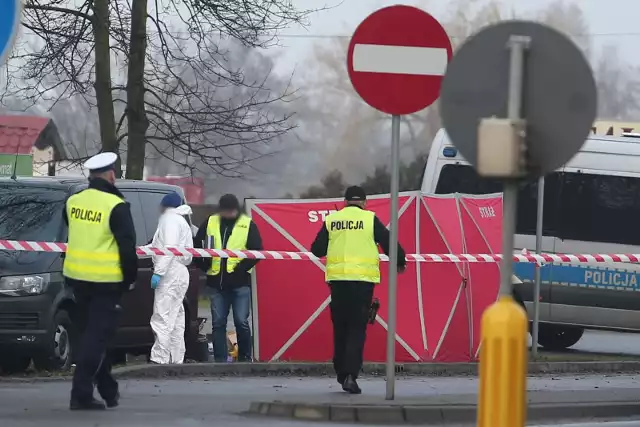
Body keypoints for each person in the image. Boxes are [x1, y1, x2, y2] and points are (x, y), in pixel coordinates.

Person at [310, 186, 406, 394]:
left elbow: (317, 249)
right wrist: (400, 260)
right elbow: (389, 241)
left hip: (337, 282)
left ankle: (341, 372)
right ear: (364, 202)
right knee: (356, 329)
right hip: (362, 283)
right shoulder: (370, 219)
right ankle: (351, 376)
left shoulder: (332, 220)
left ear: (345, 202)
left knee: (341, 328)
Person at [63, 152, 138, 410]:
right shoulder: (116, 205)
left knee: (92, 338)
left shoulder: (73, 201)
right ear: (110, 175)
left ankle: (107, 390)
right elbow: (127, 247)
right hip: (106, 282)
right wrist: (129, 278)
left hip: (77, 280)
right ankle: (80, 393)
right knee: (96, 339)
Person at [194, 194, 262, 362]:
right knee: (218, 323)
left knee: (241, 322)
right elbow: (196, 244)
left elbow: (257, 251)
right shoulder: (211, 222)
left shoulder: (247, 224)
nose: (228, 214)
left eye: (231, 211)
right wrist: (203, 264)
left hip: (239, 284)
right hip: (217, 283)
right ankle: (220, 361)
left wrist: (241, 269)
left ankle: (245, 358)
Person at [148, 192, 194, 364]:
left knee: (162, 316)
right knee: (176, 318)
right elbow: (159, 246)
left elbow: (169, 249)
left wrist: (159, 272)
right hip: (180, 271)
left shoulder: (169, 220)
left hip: (170, 272)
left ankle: (159, 359)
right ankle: (176, 358)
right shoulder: (181, 221)